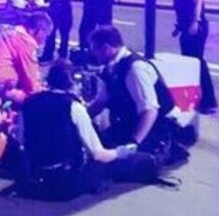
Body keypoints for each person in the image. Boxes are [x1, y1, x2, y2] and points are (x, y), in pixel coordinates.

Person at [17, 63, 155, 201]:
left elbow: (22, 141)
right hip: (67, 182)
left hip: (37, 177)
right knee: (122, 163)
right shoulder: (73, 106)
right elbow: (99, 155)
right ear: (74, 84)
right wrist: (123, 151)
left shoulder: (28, 103)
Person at [88, 26, 183, 164]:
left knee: (121, 164)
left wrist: (133, 144)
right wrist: (79, 117)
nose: (94, 56)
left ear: (106, 47)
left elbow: (150, 111)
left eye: (95, 50)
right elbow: (100, 103)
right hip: (130, 121)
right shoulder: (109, 68)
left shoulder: (135, 69)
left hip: (156, 127)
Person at [0, 12, 53, 104]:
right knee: (35, 99)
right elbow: (32, 85)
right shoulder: (25, 41)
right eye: (46, 36)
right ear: (39, 31)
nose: (44, 41)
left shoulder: (3, 31)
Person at [170, 0, 217, 113]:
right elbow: (181, 8)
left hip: (196, 27)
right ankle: (198, 99)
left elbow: (198, 1)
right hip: (186, 27)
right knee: (190, 63)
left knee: (196, 63)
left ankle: (209, 101)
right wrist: (178, 27)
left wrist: (195, 22)